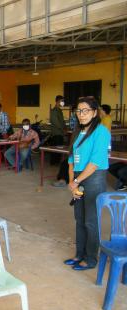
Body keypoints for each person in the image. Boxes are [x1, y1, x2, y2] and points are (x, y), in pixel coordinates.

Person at [64, 97, 110, 271]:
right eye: (78, 111)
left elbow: (95, 162)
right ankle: (79, 254)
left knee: (91, 220)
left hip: (93, 178)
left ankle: (91, 258)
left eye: (85, 111)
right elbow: (70, 159)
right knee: (79, 219)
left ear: (94, 112)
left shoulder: (101, 131)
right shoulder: (78, 131)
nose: (81, 115)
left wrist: (76, 181)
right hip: (78, 178)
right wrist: (71, 182)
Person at [50, 95, 65, 165]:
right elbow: (56, 122)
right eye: (62, 101)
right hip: (56, 132)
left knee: (59, 148)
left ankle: (57, 162)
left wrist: (64, 127)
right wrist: (62, 129)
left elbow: (62, 121)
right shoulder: (54, 111)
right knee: (55, 148)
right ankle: (54, 162)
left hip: (60, 132)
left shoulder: (59, 110)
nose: (63, 103)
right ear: (58, 101)